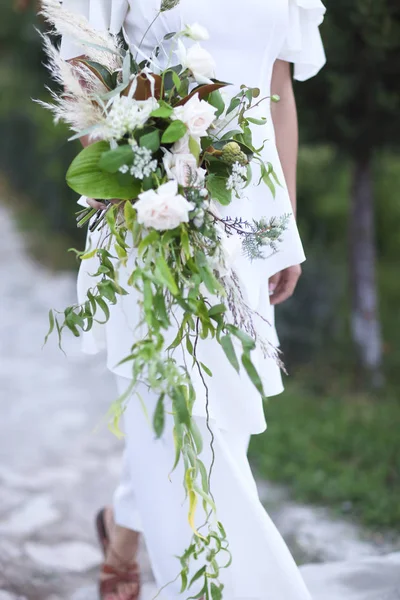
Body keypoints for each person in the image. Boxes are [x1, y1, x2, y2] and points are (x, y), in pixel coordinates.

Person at [60, 1, 326, 599]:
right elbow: (83, 58)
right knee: (178, 404)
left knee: (223, 412)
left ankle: (121, 532)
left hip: (246, 220)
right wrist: (128, 170)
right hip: (150, 203)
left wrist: (283, 228)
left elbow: (277, 90)